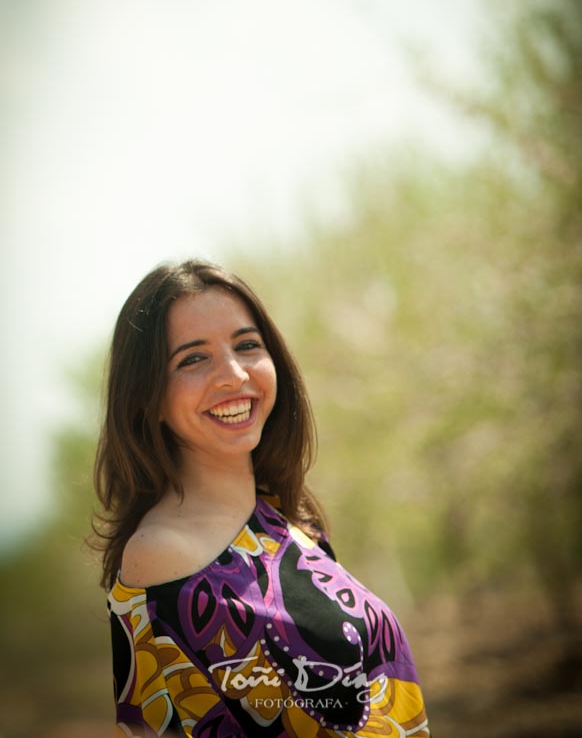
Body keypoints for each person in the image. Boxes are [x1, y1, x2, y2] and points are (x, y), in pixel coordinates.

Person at [94, 259, 430, 737]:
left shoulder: (292, 522)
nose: (233, 375)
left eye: (247, 345)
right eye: (193, 358)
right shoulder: (163, 557)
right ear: (148, 398)